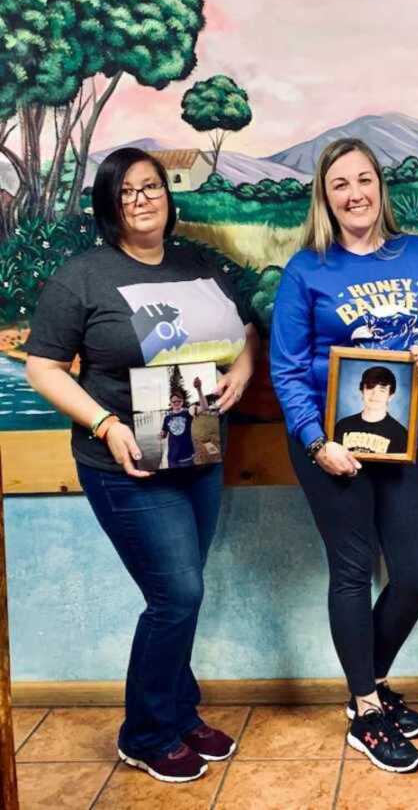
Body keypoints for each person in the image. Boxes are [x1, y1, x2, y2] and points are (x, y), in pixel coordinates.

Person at [24, 147, 259, 784]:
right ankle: (146, 732)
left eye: (151, 186)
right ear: (109, 205)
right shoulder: (84, 276)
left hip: (198, 451)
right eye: (126, 192)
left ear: (167, 194)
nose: (143, 199)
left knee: (183, 592)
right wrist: (104, 423)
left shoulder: (197, 265)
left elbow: (244, 331)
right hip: (124, 462)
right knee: (175, 594)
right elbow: (41, 366)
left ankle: (179, 713)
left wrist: (241, 369)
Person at [270, 137, 418, 774]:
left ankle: (366, 692)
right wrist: (315, 441)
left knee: (416, 573)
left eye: (363, 180)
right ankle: (367, 708)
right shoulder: (308, 270)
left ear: (381, 186)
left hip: (403, 436)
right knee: (352, 571)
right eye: (339, 185)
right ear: (324, 198)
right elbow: (288, 369)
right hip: (331, 444)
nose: (354, 194)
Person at [333, 365, 409, 454]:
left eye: (382, 390)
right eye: (370, 388)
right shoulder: (342, 426)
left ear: (390, 396)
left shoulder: (400, 434)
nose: (374, 395)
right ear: (362, 391)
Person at [160, 376, 210, 468]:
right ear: (170, 403)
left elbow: (204, 408)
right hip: (172, 458)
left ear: (182, 402)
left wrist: (199, 389)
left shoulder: (188, 412)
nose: (176, 403)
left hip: (186, 458)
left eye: (179, 401)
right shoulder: (167, 418)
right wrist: (161, 435)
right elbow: (164, 434)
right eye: (174, 401)